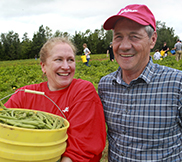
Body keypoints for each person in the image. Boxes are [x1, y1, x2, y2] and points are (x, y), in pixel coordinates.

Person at [98, 4, 182, 161]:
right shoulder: (105, 86)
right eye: (118, 37)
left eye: (134, 36)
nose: (124, 46)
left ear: (152, 40)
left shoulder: (177, 84)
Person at [5, 37, 106, 162]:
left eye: (70, 60)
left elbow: (81, 148)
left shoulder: (82, 90)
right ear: (43, 66)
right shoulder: (24, 94)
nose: (66, 66)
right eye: (58, 60)